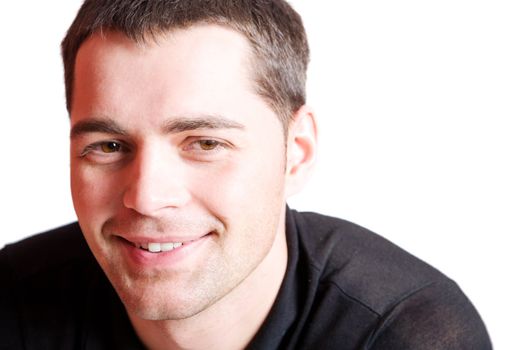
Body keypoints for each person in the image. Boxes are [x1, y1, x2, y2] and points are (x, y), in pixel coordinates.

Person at [0, 0, 492, 349]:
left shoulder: (405, 335)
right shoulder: (12, 307)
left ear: (295, 153)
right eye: (108, 146)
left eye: (206, 143)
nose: (147, 197)